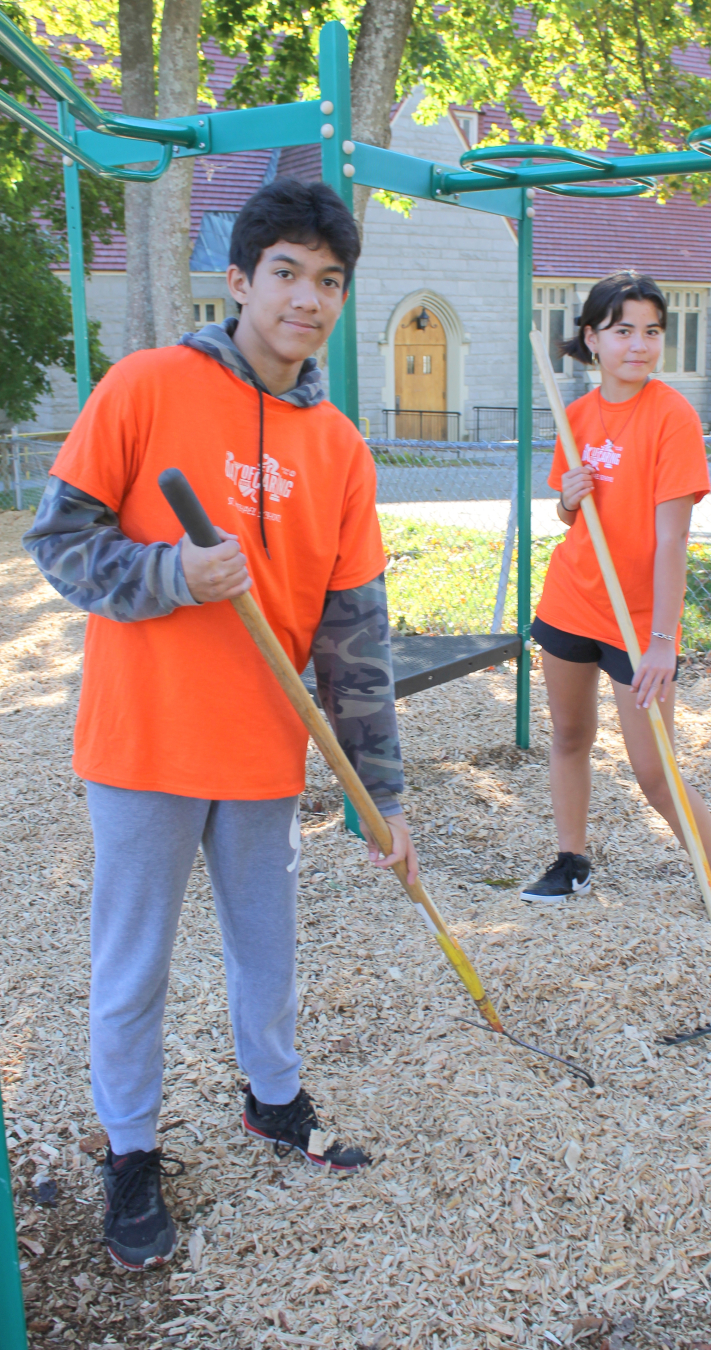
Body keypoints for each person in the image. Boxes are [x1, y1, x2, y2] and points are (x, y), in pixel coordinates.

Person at [23, 178, 418, 1271]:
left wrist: (380, 796)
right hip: (144, 741)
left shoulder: (338, 447)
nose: (308, 297)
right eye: (286, 272)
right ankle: (133, 1154)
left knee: (268, 952)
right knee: (133, 963)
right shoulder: (147, 387)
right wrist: (172, 572)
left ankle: (275, 1100)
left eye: (329, 279)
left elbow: (355, 639)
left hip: (261, 750)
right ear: (239, 280)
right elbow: (59, 542)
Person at [521, 270, 711, 925]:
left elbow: (673, 539)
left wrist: (660, 644)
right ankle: (571, 861)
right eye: (624, 330)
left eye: (652, 330)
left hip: (639, 622)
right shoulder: (577, 416)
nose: (640, 344)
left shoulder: (672, 417)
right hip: (570, 600)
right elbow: (574, 520)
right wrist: (569, 500)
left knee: (653, 769)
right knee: (569, 737)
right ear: (592, 338)